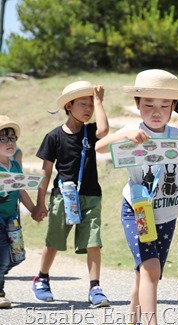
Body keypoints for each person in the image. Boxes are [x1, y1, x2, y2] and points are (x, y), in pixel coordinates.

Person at [95, 69, 178, 325]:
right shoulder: (132, 131)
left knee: (145, 272)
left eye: (165, 105)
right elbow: (99, 146)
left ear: (174, 106)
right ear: (137, 104)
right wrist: (123, 136)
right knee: (151, 267)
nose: (156, 111)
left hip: (167, 215)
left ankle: (131, 323)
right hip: (137, 211)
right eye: (149, 105)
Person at [31, 81, 110, 308]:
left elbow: (104, 131)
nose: (88, 109)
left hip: (92, 196)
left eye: (91, 105)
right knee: (54, 241)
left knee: (93, 242)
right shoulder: (54, 137)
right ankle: (42, 279)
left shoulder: (91, 132)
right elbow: (45, 173)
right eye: (83, 104)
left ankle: (95, 287)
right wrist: (40, 204)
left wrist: (99, 101)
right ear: (68, 105)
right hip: (62, 197)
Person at [0, 116, 38, 309]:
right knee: (2, 257)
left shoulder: (14, 164)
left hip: (11, 219)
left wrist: (33, 209)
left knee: (16, 257)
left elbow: (21, 189)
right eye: (3, 139)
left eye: (12, 138)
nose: (9, 142)